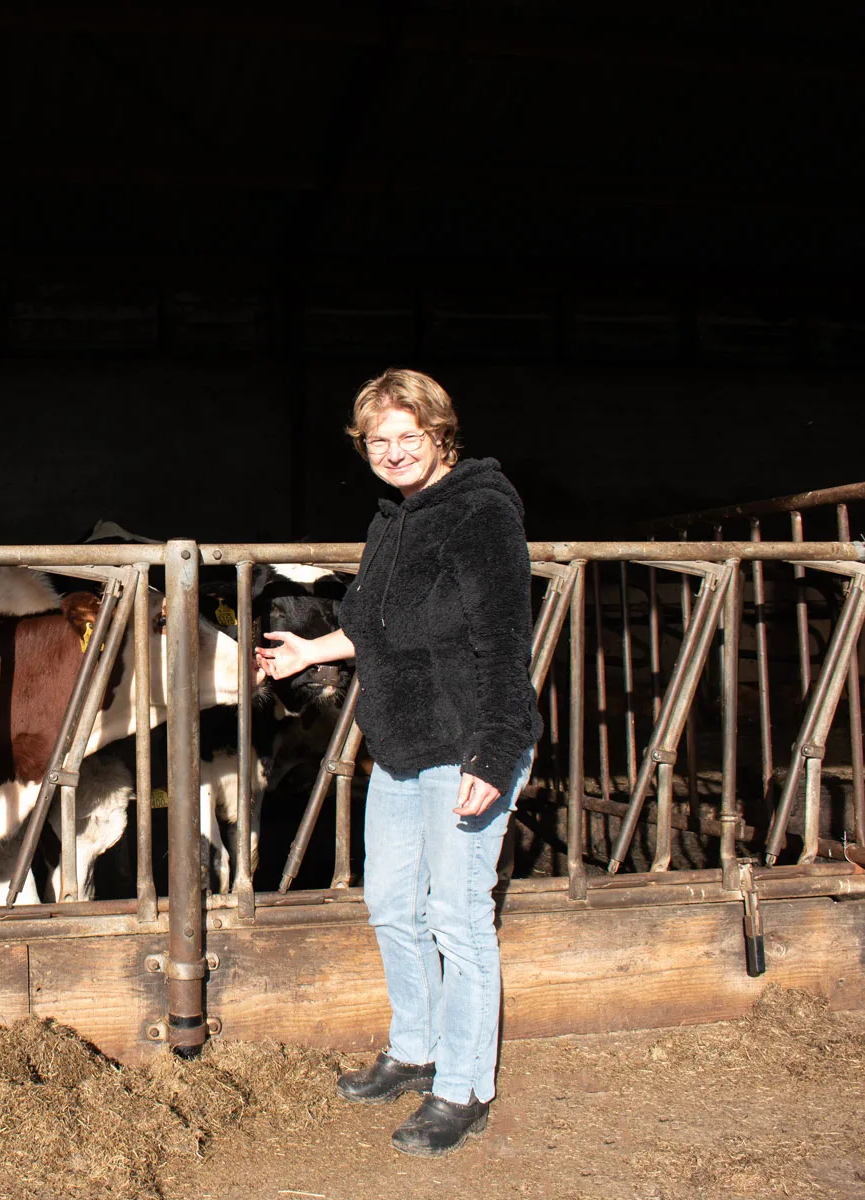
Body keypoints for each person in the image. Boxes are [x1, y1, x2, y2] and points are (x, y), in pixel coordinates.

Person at [255, 368, 540, 1158]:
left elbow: (502, 639)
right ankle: (415, 1048)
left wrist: (496, 747)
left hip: (467, 742)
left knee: (456, 916)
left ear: (440, 434)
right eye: (377, 441)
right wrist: (310, 650)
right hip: (402, 744)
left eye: (406, 437)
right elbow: (378, 626)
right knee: (390, 904)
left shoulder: (480, 513)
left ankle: (465, 1086)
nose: (391, 452)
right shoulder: (393, 521)